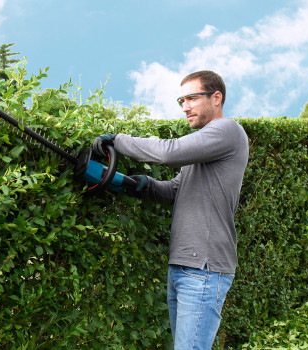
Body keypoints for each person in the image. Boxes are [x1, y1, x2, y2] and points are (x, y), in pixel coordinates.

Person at [92, 70, 249, 349]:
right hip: (183, 266)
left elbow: (168, 152)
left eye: (192, 98)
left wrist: (118, 141)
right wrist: (141, 185)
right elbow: (177, 191)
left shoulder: (227, 130)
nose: (185, 106)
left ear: (216, 98)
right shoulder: (203, 145)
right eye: (181, 101)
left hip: (204, 267)